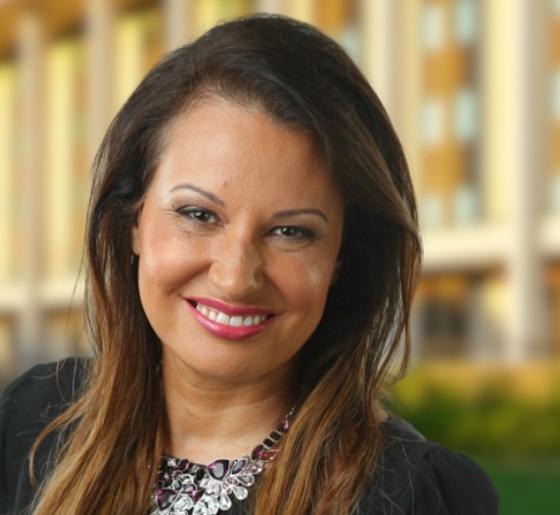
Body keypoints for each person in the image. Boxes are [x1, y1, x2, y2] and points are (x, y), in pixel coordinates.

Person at [0, 14, 498, 515]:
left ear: (343, 256)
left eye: (291, 232)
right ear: (132, 219)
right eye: (198, 214)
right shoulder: (33, 422)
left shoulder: (415, 495)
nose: (236, 277)